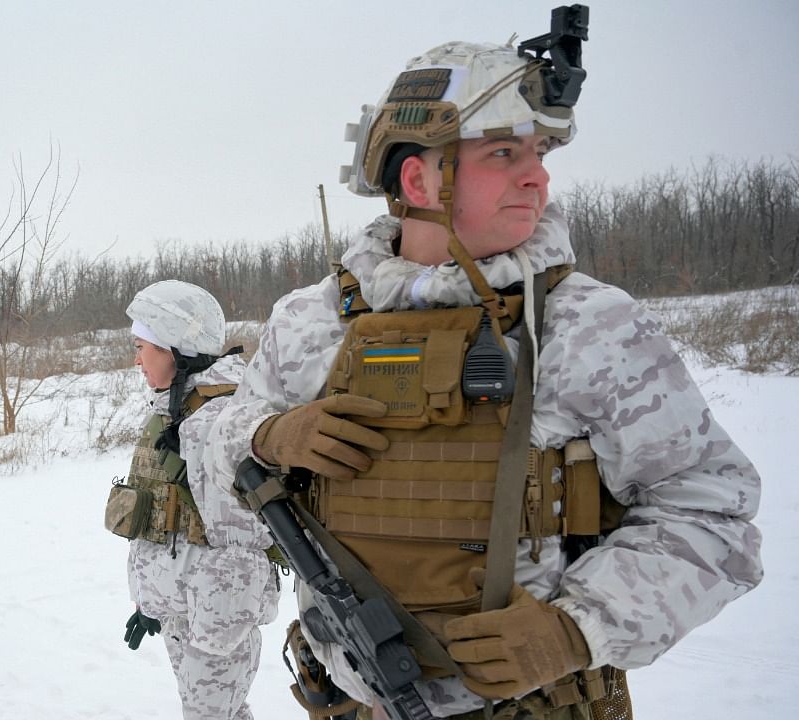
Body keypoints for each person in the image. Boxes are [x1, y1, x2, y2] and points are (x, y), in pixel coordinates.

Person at [206, 31, 763, 720]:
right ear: (419, 179)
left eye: (539, 154)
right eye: (505, 153)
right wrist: (268, 435)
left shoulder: (588, 326)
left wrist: (578, 627)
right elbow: (221, 454)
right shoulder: (310, 321)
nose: (539, 177)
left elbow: (714, 512)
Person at [106, 280, 280, 720]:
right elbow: (168, 520)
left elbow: (241, 546)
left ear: (175, 350)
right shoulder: (178, 411)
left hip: (215, 621)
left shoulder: (214, 423)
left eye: (142, 346)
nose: (136, 358)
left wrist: (218, 638)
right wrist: (152, 602)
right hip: (184, 609)